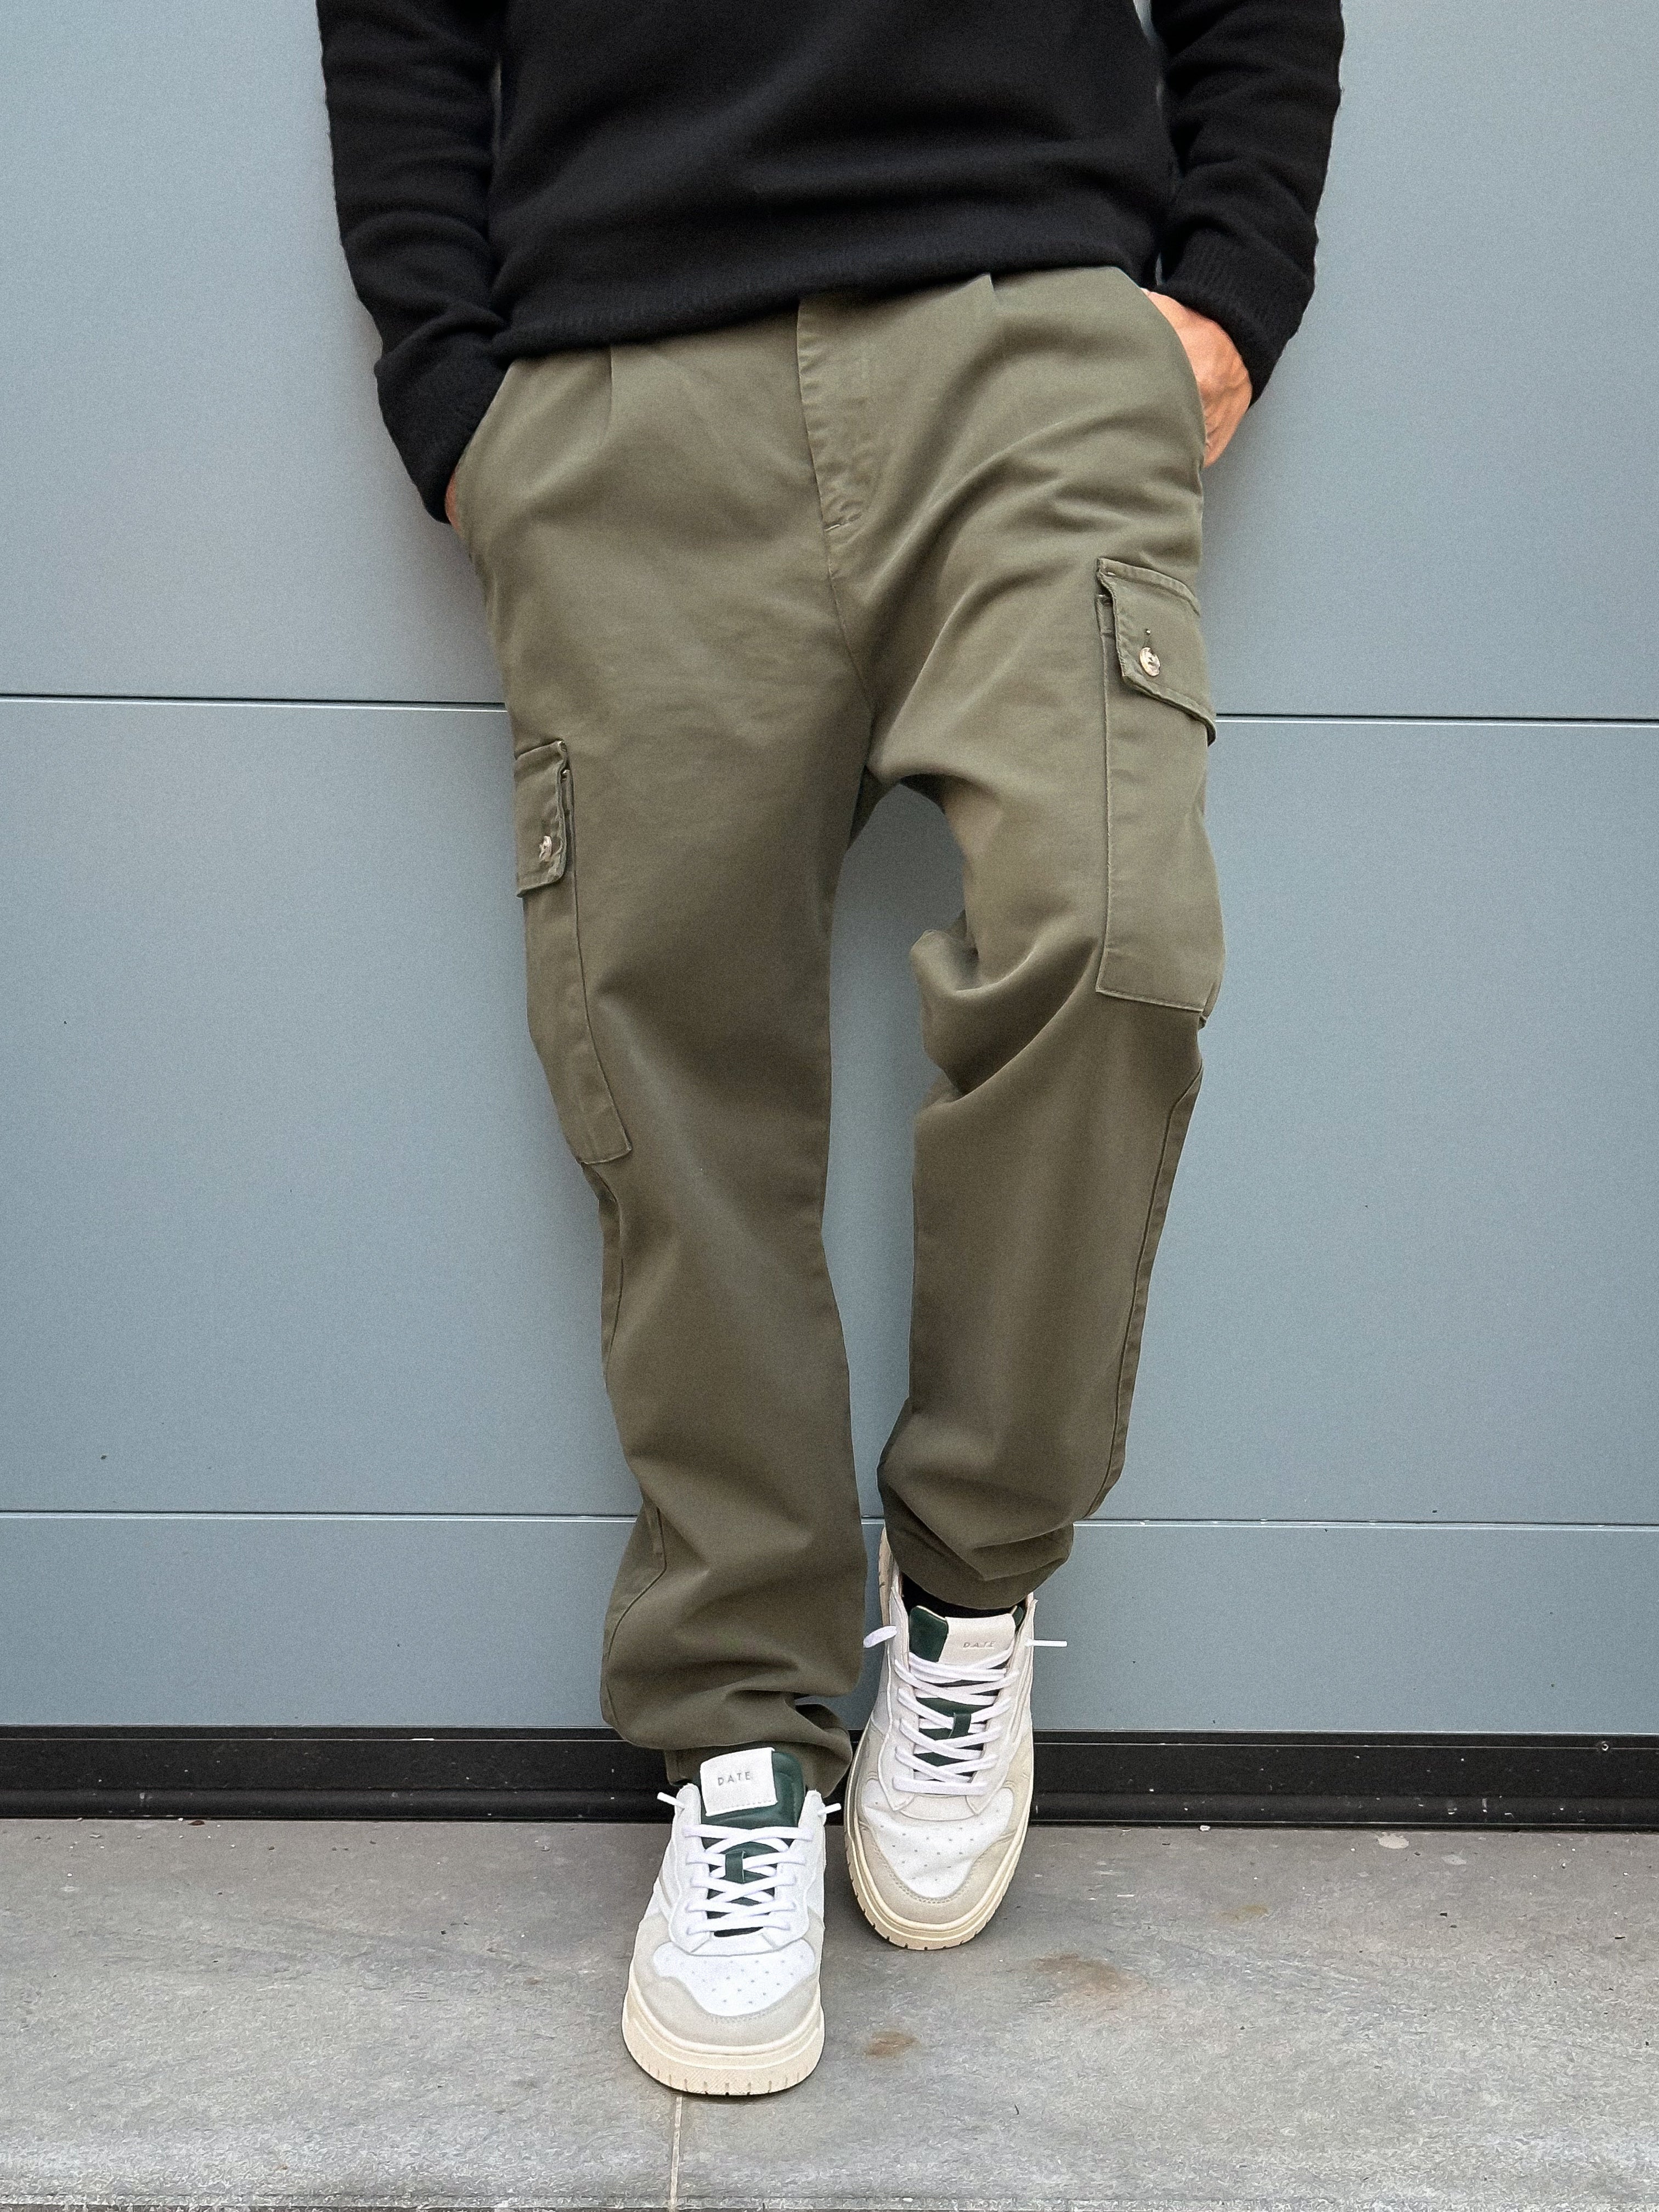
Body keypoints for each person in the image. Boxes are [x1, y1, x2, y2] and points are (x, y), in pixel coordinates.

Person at [318, 0, 1342, 2096]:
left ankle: (967, 1591)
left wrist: (1233, 287)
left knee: (1113, 940)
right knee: (670, 1078)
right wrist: (454, 390)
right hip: (623, 374)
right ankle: (743, 1745)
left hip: (1031, 340)